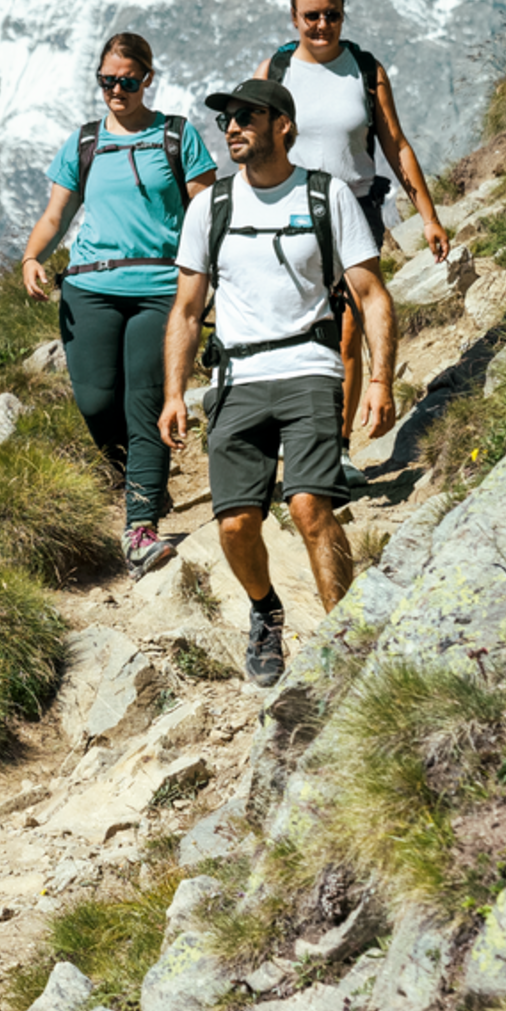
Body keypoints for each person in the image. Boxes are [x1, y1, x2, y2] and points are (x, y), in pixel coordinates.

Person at [155, 75, 396, 687]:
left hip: (309, 369)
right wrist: (173, 393)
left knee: (310, 504)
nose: (232, 127)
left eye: (247, 116)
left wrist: (379, 381)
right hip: (236, 378)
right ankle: (265, 611)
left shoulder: (326, 195)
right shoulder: (210, 207)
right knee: (236, 524)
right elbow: (186, 309)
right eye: (227, 118)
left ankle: (347, 640)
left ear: (282, 125)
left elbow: (370, 294)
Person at [18, 31, 210, 570]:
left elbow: (207, 208)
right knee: (96, 402)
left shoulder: (177, 136)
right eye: (106, 81)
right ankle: (138, 482)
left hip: (159, 291)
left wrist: (209, 271)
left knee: (144, 403)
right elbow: (56, 215)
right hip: (88, 287)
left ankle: (141, 525)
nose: (116, 91)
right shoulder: (84, 142)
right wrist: (33, 257)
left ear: (147, 79)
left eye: (126, 81)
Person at [260, 0, 448, 432]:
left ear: (343, 16)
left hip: (355, 211)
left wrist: (428, 216)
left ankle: (337, 448)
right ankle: (300, 432)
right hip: (290, 212)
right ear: (294, 18)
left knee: (345, 335)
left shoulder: (365, 70)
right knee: (298, 330)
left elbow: (396, 144)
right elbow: (256, 144)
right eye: (312, 17)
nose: (322, 25)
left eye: (332, 15)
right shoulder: (275, 71)